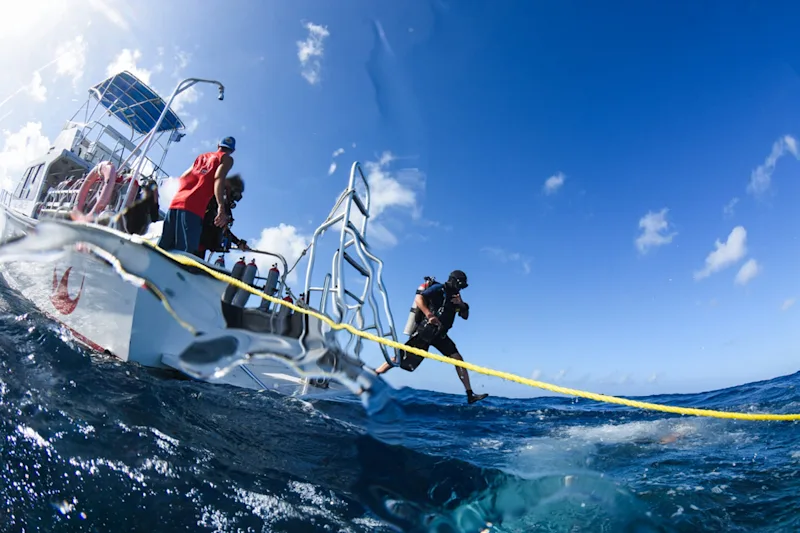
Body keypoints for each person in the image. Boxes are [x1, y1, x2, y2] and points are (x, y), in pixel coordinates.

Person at [375, 270, 489, 405]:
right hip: (426, 331)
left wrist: (462, 305)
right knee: (400, 358)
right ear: (454, 281)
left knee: (458, 360)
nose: (460, 288)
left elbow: (465, 316)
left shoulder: (456, 297)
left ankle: (470, 394)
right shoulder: (439, 288)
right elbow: (419, 299)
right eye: (460, 284)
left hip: (440, 335)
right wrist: (429, 315)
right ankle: (374, 374)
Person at [158, 137, 235, 252]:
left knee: (164, 247)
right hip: (193, 207)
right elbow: (218, 177)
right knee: (186, 253)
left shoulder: (201, 157)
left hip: (176, 202)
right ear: (232, 151)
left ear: (218, 145)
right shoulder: (227, 159)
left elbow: (184, 176)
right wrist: (221, 206)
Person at [194, 174, 250, 260]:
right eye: (234, 194)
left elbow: (223, 229)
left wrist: (238, 242)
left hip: (202, 248)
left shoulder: (223, 208)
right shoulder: (211, 199)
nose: (233, 199)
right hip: (193, 244)